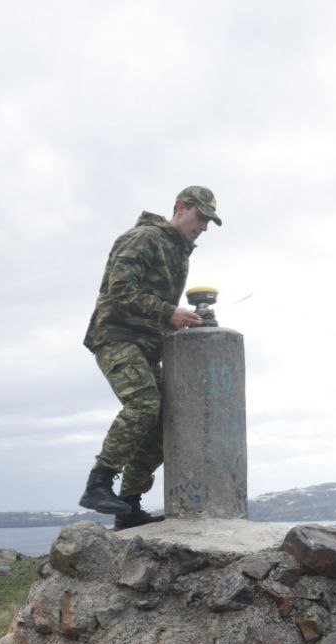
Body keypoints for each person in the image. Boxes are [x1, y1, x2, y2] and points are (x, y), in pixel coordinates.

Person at [79, 185, 222, 529]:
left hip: (146, 345)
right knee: (144, 402)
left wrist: (185, 321)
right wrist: (169, 312)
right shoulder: (144, 238)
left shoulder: (179, 253)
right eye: (200, 217)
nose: (203, 226)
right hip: (116, 337)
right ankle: (99, 482)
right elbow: (120, 292)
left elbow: (160, 313)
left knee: (167, 420)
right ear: (181, 208)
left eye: (208, 222)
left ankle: (128, 505)